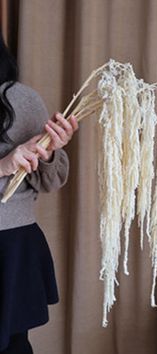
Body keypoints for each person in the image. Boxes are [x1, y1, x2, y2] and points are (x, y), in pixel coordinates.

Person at [0, 31, 78, 353]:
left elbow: (50, 181)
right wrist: (4, 165)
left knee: (14, 345)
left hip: (12, 247)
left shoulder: (21, 99)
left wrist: (48, 153)